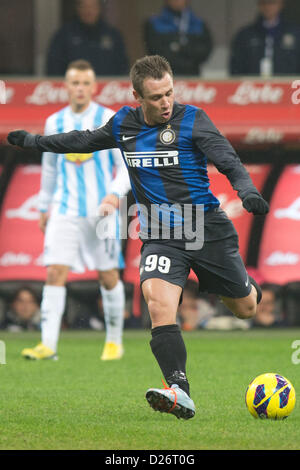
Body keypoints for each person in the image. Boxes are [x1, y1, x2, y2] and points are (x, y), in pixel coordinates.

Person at [7, 55, 269, 420]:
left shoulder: (193, 119)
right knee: (157, 301)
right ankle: (179, 390)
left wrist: (247, 191)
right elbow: (81, 140)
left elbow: (229, 161)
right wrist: (36, 141)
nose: (166, 103)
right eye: (157, 97)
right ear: (138, 96)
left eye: (169, 93)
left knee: (246, 308)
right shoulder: (124, 124)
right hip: (160, 233)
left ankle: (245, 285)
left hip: (204, 228)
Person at [19, 59, 131, 361]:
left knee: (108, 275)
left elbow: (124, 168)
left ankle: (113, 341)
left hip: (102, 211)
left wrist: (113, 195)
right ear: (66, 86)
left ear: (93, 87)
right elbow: (50, 169)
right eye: (74, 83)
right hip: (65, 208)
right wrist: (44, 207)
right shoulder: (54, 122)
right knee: (55, 271)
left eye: (85, 83)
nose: (80, 88)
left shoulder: (109, 119)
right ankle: (48, 345)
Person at [46, 0, 129, 77]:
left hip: (107, 89)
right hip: (73, 90)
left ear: (100, 8)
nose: (88, 11)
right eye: (84, 6)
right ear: (78, 8)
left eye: (92, 6)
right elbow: (53, 71)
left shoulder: (113, 36)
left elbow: (123, 69)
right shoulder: (63, 36)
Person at [229, 0, 300, 76]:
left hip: (288, 85)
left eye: (272, 3)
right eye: (263, 3)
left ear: (281, 4)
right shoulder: (245, 35)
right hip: (252, 85)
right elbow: (235, 68)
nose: (267, 7)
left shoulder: (295, 33)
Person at [144, 0, 213, 76]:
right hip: (162, 75)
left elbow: (203, 51)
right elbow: (155, 51)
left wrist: (178, 48)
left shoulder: (199, 24)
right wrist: (185, 51)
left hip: (192, 75)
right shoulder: (154, 24)